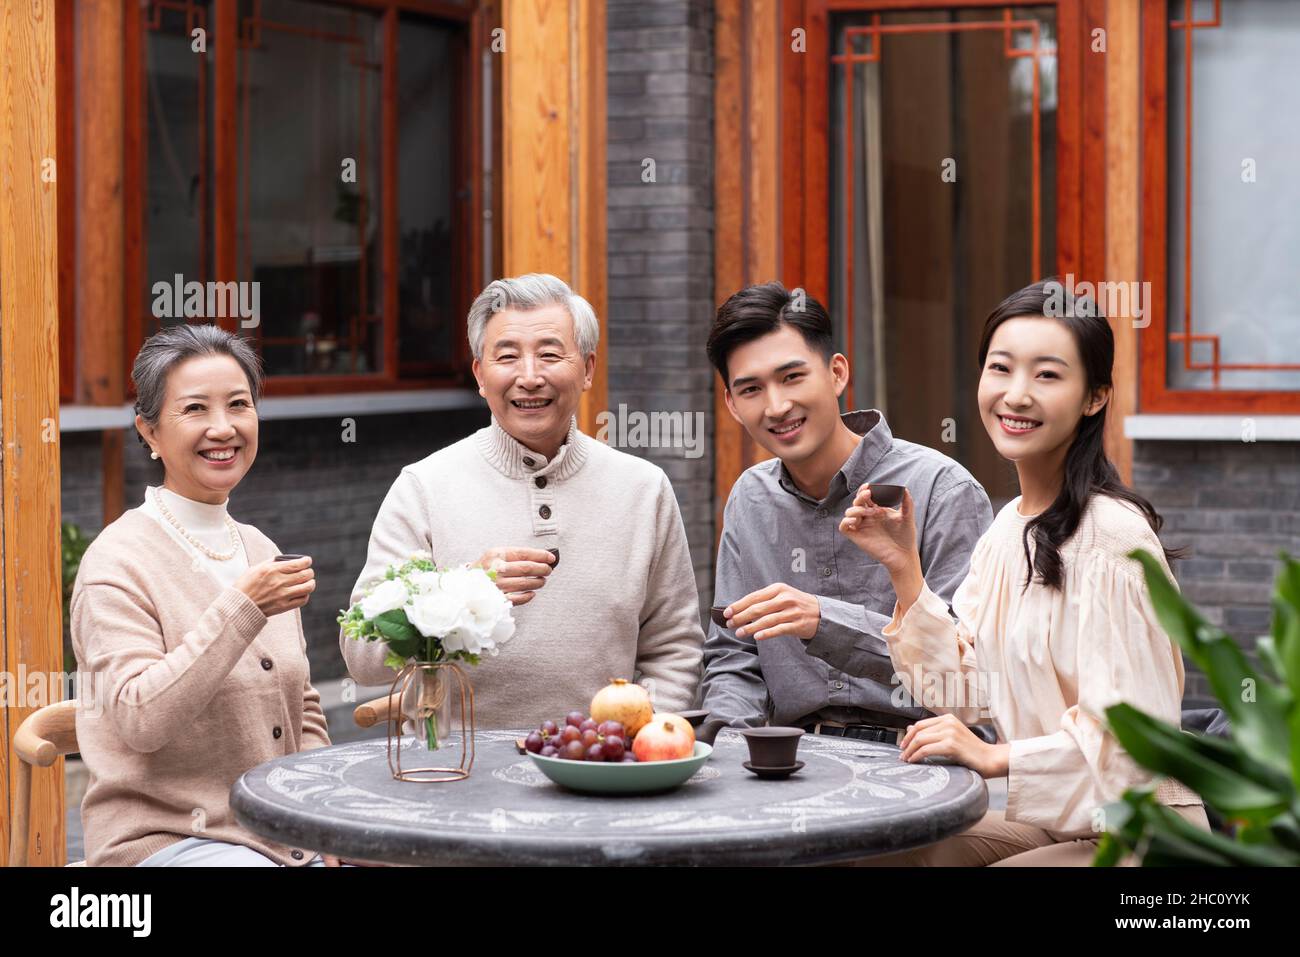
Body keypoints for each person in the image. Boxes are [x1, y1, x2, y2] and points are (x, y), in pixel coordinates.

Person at [829, 280, 1209, 864]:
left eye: (1048, 375)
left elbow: (1135, 746)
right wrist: (905, 569)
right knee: (890, 846)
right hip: (1060, 816)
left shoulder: (1113, 538)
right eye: (1000, 369)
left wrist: (995, 758)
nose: (1016, 395)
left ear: (1095, 397)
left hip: (1145, 835)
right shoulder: (1009, 529)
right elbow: (965, 693)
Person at [341, 274, 703, 729]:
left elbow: (674, 646)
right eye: (507, 356)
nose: (529, 377)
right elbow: (363, 655)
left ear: (588, 369)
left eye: (550, 354)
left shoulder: (643, 488)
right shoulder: (424, 487)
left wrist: (638, 739)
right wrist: (462, 594)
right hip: (459, 773)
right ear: (479, 374)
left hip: (602, 771)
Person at [71, 324, 342, 866]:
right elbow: (139, 719)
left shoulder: (261, 549)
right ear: (148, 432)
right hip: (167, 842)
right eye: (195, 409)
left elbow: (304, 710)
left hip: (280, 834)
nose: (223, 428)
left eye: (239, 405)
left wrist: (326, 819)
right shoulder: (117, 563)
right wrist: (243, 608)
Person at [699, 282, 993, 743]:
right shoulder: (751, 499)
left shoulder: (940, 488)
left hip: (922, 759)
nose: (777, 406)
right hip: (791, 762)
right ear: (733, 406)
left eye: (792, 377)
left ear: (837, 373)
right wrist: (731, 751)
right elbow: (735, 659)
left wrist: (825, 622)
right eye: (752, 389)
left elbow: (968, 673)